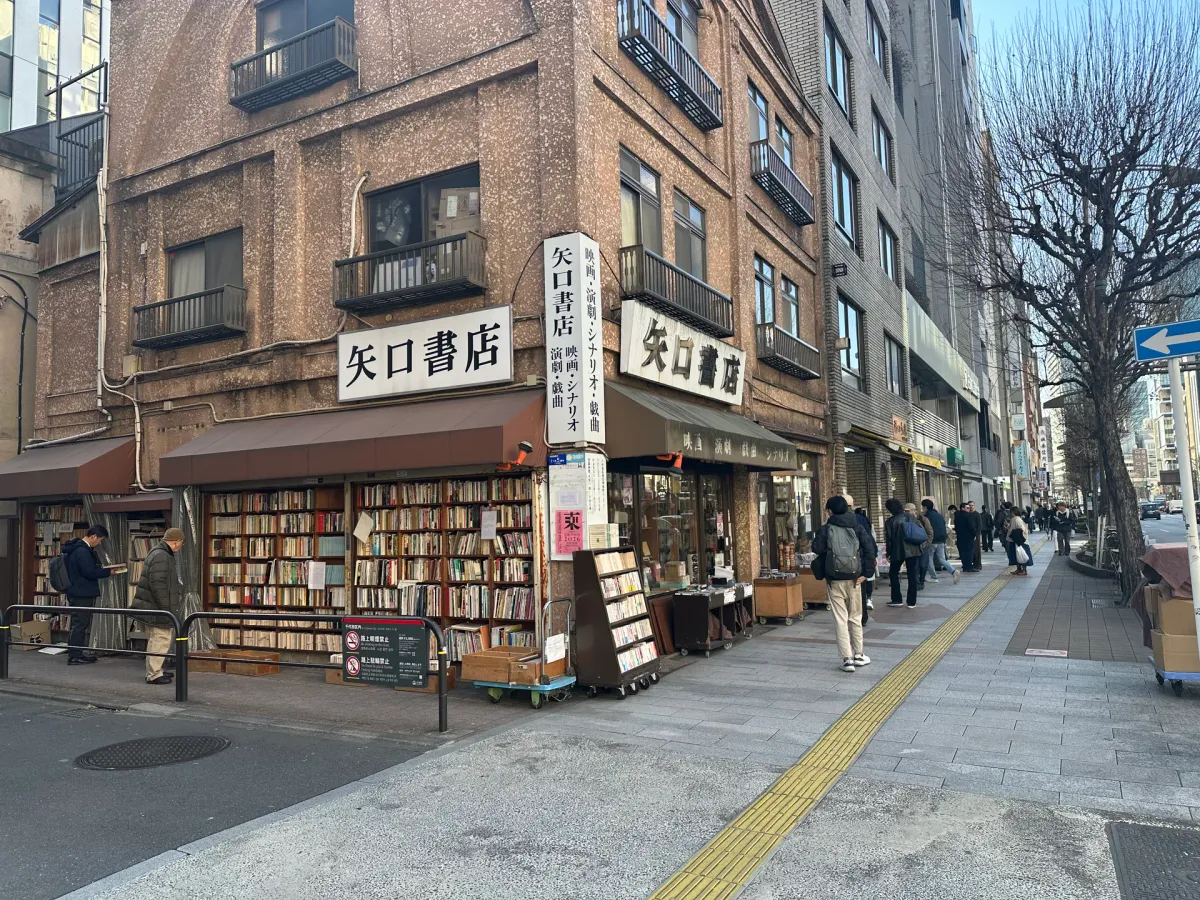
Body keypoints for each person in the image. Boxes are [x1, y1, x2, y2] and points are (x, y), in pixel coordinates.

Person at [812, 496, 877, 672]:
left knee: (840, 619)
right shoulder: (857, 526)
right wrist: (866, 574)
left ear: (830, 511)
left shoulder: (826, 529)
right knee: (855, 617)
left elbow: (816, 549)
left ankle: (847, 659)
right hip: (855, 579)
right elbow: (870, 550)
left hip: (835, 581)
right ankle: (859, 654)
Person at [131, 527, 186, 685]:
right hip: (157, 606)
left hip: (151, 604)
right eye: (181, 543)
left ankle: (155, 669)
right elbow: (158, 584)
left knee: (156, 638)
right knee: (160, 638)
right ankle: (154, 673)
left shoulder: (157, 552)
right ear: (177, 542)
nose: (180, 547)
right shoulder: (162, 555)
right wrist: (165, 608)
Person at [61, 525, 115, 665]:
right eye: (100, 540)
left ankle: (76, 652)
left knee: (78, 623)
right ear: (94, 537)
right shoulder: (82, 551)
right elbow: (89, 572)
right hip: (82, 592)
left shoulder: (75, 548)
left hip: (76, 589)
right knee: (80, 624)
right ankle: (74, 656)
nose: (100, 543)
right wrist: (107, 572)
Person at [885, 498, 924, 608]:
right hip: (913, 549)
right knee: (912, 574)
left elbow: (889, 540)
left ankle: (897, 599)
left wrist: (888, 553)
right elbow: (919, 530)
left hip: (897, 551)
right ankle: (912, 602)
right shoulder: (911, 517)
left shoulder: (890, 521)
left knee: (893, 573)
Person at [921, 498, 961, 584]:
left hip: (932, 541)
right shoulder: (939, 515)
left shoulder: (926, 517)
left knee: (929, 558)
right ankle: (953, 571)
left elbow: (927, 529)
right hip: (941, 540)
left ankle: (934, 577)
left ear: (925, 507)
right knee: (942, 559)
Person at [904, 502, 934, 589]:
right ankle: (916, 584)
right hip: (912, 548)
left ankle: (922, 580)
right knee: (915, 567)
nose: (906, 513)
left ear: (914, 511)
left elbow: (930, 533)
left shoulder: (923, 519)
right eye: (905, 511)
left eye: (908, 511)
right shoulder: (904, 520)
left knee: (923, 565)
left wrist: (926, 544)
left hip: (923, 547)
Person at [854, 507, 875, 622]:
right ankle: (862, 616)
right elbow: (869, 546)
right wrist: (867, 572)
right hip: (859, 565)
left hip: (837, 573)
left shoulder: (830, 526)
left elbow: (818, 547)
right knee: (860, 592)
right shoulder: (861, 524)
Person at [954, 502, 980, 573]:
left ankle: (965, 566)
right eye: (967, 508)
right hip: (968, 537)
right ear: (963, 508)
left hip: (960, 537)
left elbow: (956, 526)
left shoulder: (957, 515)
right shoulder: (968, 516)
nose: (969, 509)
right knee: (969, 552)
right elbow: (971, 526)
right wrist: (974, 534)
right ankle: (969, 567)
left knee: (962, 552)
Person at [967, 502, 984, 571]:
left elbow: (979, 525)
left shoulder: (977, 514)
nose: (971, 507)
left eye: (972, 505)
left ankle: (978, 565)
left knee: (976, 550)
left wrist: (977, 535)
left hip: (975, 535)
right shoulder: (967, 514)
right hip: (969, 535)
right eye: (970, 506)